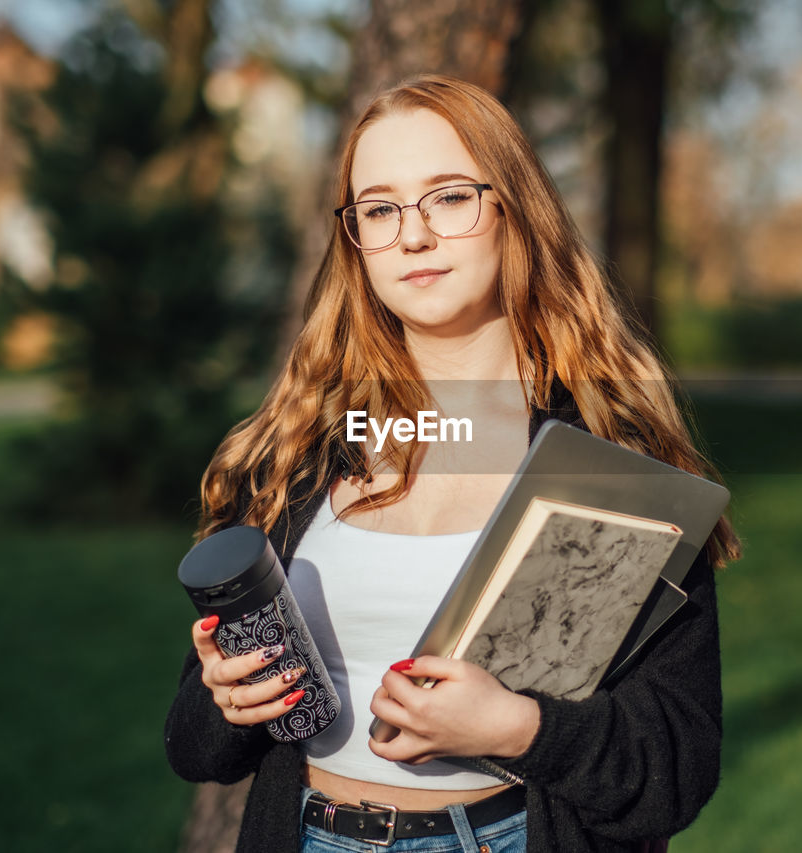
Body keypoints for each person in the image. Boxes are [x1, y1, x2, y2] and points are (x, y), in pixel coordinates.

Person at [164, 74, 740, 853]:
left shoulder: (612, 475)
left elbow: (675, 767)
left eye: (449, 197)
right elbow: (195, 752)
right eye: (380, 208)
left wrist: (519, 727)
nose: (413, 235)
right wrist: (224, 696)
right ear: (355, 239)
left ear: (513, 210)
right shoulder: (300, 452)